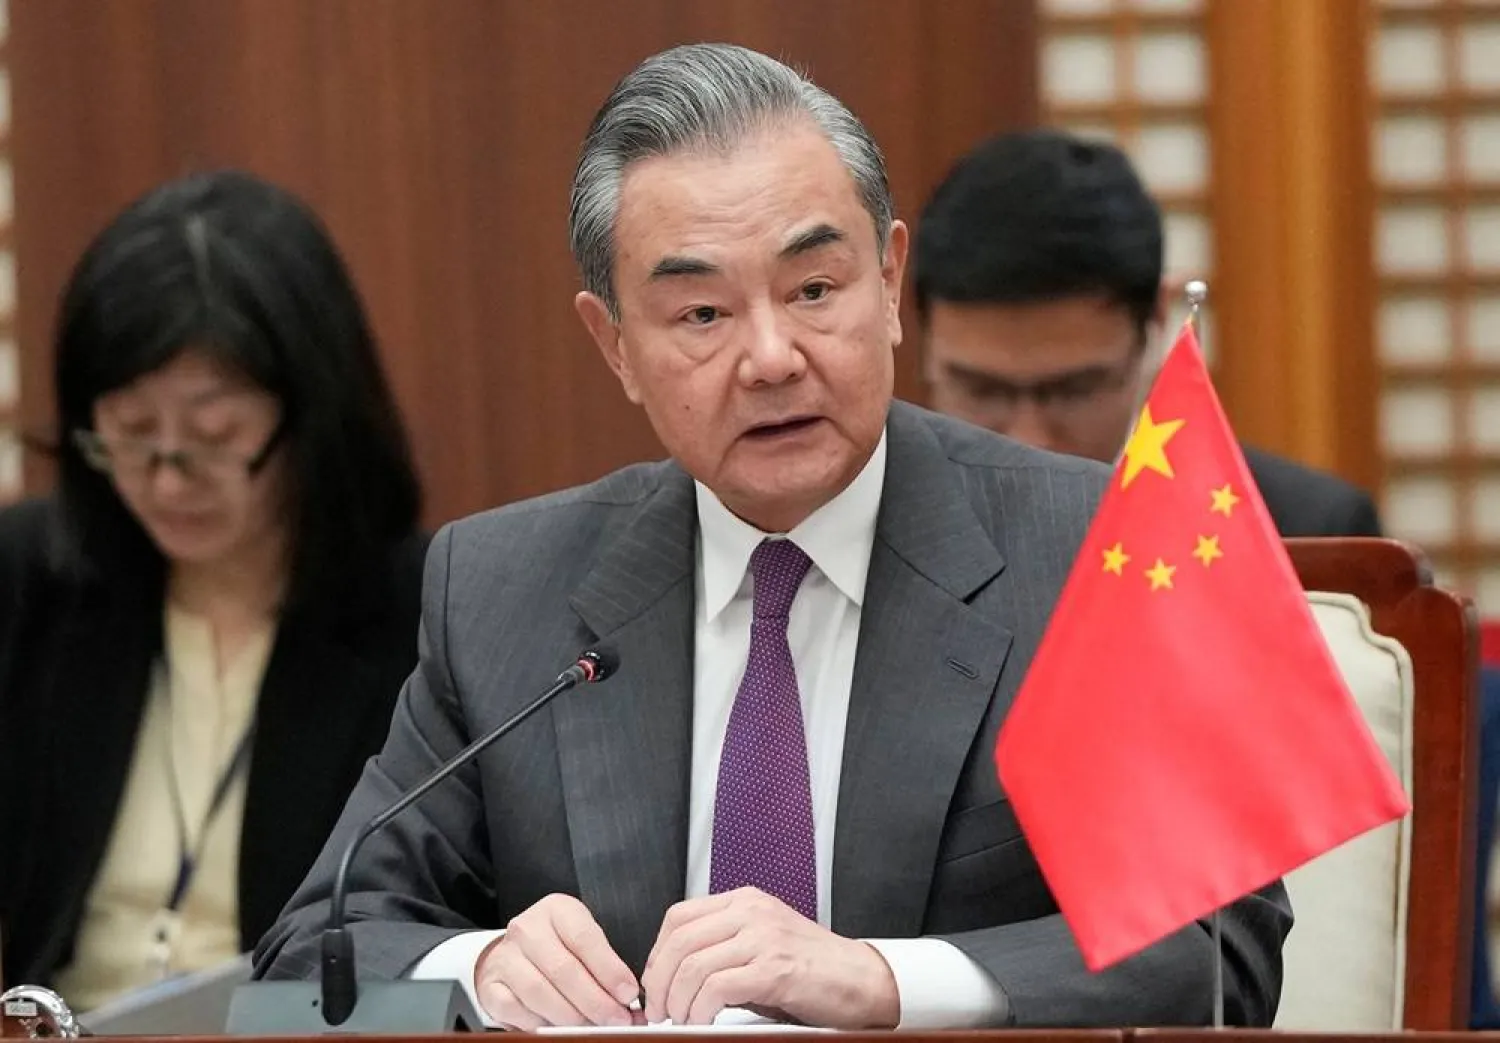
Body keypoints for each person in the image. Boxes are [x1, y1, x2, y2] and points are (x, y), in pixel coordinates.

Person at [255, 44, 1290, 1029]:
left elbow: (1217, 947)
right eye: (701, 313)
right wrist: (479, 966)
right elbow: (312, 951)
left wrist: (885, 977)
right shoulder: (503, 590)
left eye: (812, 290)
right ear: (614, 344)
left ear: (889, 284)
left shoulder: (1085, 549)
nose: (770, 356)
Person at [0, 171, 426, 1009]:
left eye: (213, 435)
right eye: (129, 434)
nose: (166, 479)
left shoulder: (423, 616)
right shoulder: (29, 582)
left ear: (311, 415)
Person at [915, 129, 1382, 538]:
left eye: (1074, 390)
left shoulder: (1302, 529)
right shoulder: (868, 525)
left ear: (1155, 322)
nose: (1029, 439)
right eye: (983, 390)